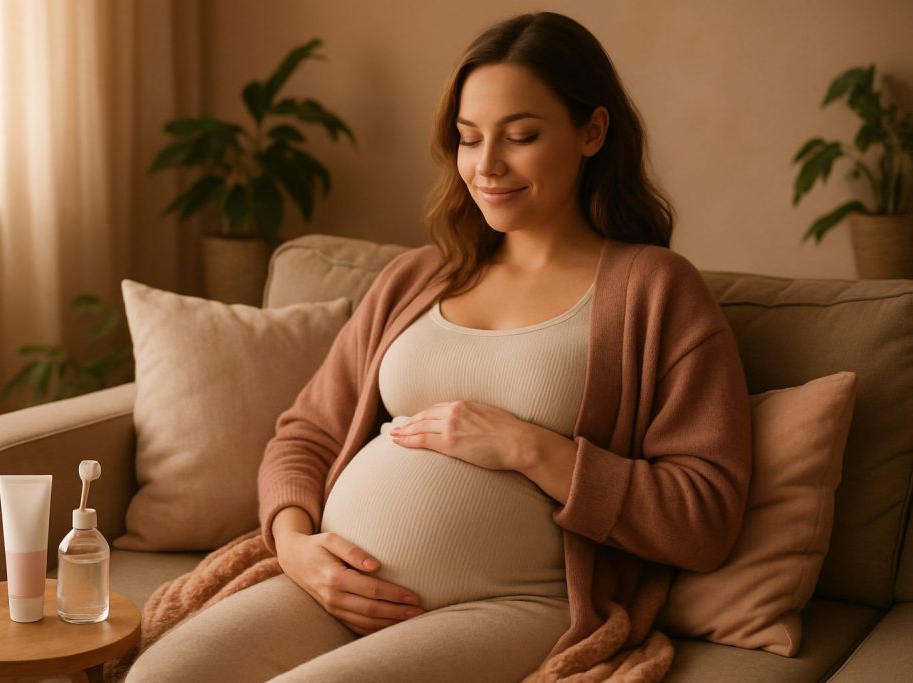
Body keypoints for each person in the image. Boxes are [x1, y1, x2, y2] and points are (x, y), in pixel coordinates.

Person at [125, 11, 751, 682]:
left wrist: (528, 446)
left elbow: (704, 514)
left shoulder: (654, 290)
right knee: (157, 676)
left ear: (592, 131)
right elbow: (305, 432)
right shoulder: (416, 278)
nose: (487, 165)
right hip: (329, 586)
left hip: (509, 604)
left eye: (522, 136)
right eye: (468, 138)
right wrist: (295, 544)